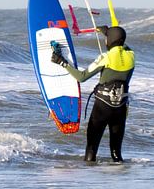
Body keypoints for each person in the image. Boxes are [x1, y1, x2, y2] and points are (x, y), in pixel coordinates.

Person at [51, 26, 135, 163]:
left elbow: (82, 77)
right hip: (120, 108)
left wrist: (62, 62)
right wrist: (107, 33)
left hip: (102, 108)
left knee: (91, 149)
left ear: (110, 40)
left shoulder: (105, 57)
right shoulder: (131, 56)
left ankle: (90, 183)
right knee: (116, 153)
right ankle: (121, 182)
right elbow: (123, 45)